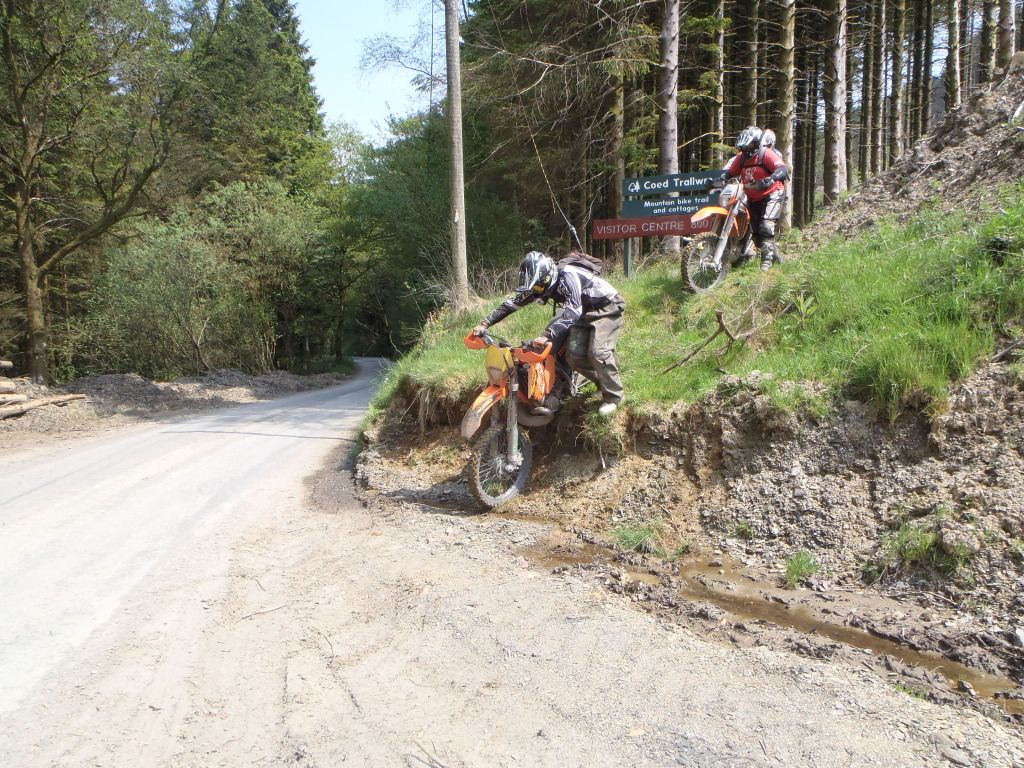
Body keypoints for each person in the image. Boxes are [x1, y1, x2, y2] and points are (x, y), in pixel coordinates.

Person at [472, 250, 626, 415]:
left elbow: (573, 311)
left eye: (538, 287)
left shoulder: (568, 276)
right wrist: (485, 323)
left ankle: (614, 397)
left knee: (598, 351)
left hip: (606, 306)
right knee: (573, 355)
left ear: (546, 278)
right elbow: (511, 304)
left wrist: (547, 335)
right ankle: (602, 384)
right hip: (584, 310)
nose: (536, 292)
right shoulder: (539, 285)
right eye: (534, 288)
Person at [715, 126, 789, 272]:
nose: (745, 149)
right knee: (756, 233)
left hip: (772, 193)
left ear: (756, 143)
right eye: (743, 146)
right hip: (753, 196)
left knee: (766, 226)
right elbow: (730, 173)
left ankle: (765, 265)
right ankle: (776, 259)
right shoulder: (741, 158)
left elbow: (783, 169)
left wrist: (771, 178)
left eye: (748, 145)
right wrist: (718, 180)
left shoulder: (765, 154)